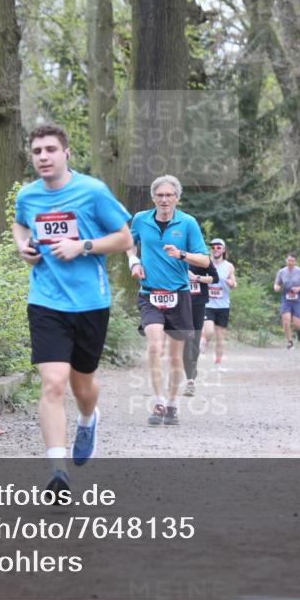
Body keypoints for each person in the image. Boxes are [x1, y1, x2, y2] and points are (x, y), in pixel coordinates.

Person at [12, 122, 132, 494]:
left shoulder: (93, 192)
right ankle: (58, 471)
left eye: (50, 150)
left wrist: (82, 246)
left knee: (83, 387)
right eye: (37, 152)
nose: (43, 157)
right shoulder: (28, 197)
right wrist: (24, 249)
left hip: (90, 303)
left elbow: (125, 237)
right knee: (52, 383)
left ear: (66, 153)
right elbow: (20, 226)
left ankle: (87, 418)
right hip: (46, 302)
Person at [127, 175, 209, 426]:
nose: (164, 199)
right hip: (150, 294)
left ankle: (173, 403)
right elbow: (129, 243)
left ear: (177, 198)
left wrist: (182, 254)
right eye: (159, 195)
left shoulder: (188, 223)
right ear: (153, 198)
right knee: (153, 347)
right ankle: (158, 402)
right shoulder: (141, 219)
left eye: (169, 195)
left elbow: (204, 261)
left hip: (179, 295)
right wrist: (134, 261)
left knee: (175, 357)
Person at [182, 256, 219, 397]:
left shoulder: (202, 258)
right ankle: (190, 376)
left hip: (198, 303)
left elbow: (215, 278)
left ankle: (191, 374)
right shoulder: (175, 255)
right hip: (181, 302)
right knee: (184, 340)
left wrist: (196, 278)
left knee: (194, 341)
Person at [202, 238, 237, 370]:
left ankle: (218, 363)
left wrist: (232, 284)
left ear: (223, 250)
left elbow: (234, 283)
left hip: (223, 305)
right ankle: (204, 340)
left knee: (220, 337)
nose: (215, 249)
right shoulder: (206, 263)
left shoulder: (228, 266)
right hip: (208, 304)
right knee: (209, 331)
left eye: (218, 247)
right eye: (213, 247)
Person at [273, 253, 300, 349]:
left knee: (296, 323)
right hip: (286, 298)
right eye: (289, 260)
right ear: (286, 261)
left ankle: (299, 329)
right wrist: (276, 287)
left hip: (298, 298)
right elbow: (277, 283)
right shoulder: (281, 272)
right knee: (286, 320)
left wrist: (298, 288)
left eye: (292, 261)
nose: (290, 262)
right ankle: (290, 342)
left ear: (295, 262)